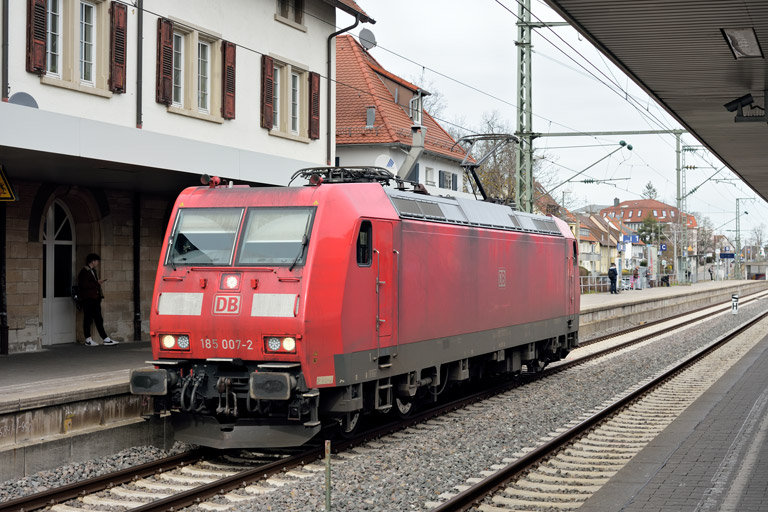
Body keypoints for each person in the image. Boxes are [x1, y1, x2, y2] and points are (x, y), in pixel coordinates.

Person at [78, 253, 118, 346]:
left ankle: (105, 338)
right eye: (97, 261)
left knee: (98, 318)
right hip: (88, 299)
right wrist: (97, 283)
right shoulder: (84, 271)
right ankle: (88, 339)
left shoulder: (93, 271)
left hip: (95, 298)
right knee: (88, 318)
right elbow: (83, 285)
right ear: (93, 261)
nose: (98, 263)